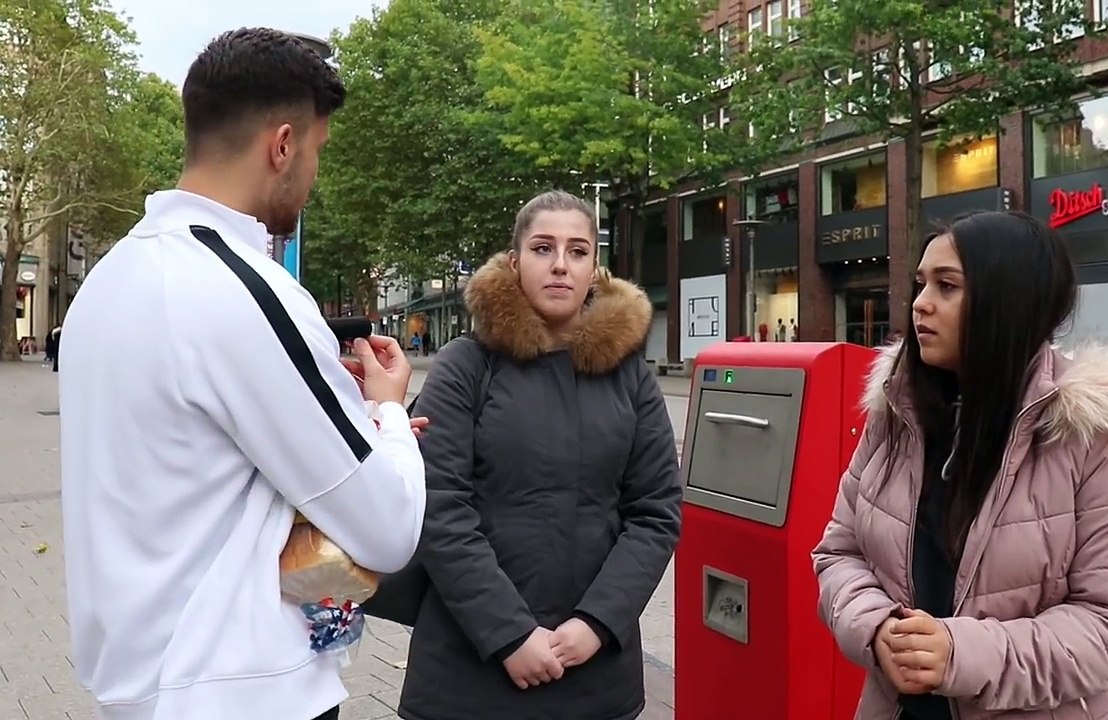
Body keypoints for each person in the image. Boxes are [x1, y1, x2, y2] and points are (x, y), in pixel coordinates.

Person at [57, 28, 427, 720]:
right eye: (317, 151)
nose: (314, 176)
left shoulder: (108, 283)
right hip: (241, 688)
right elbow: (389, 526)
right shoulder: (248, 291)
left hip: (140, 684)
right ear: (282, 145)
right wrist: (388, 415)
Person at [813, 211, 1108, 720]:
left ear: (1008, 301)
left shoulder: (1099, 433)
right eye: (921, 284)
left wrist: (960, 655)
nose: (920, 303)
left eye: (947, 286)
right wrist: (876, 626)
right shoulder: (899, 412)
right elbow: (838, 553)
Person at [369, 190, 682, 720]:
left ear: (593, 269)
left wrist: (598, 622)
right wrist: (508, 633)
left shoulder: (630, 374)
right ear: (515, 262)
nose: (560, 264)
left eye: (577, 251)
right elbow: (438, 506)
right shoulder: (465, 366)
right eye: (543, 248)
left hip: (595, 674)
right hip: (469, 671)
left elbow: (656, 511)